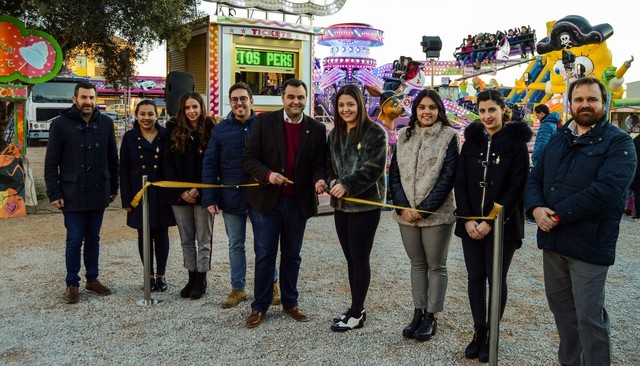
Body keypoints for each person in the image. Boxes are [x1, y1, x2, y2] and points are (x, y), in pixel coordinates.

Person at [524, 77, 636, 366]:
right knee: (562, 313)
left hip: (589, 244)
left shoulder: (619, 142)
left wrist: (557, 215)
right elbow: (536, 175)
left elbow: (607, 191)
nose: (585, 104)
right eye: (579, 99)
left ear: (603, 102)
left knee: (589, 318)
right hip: (554, 243)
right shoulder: (560, 138)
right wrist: (536, 208)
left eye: (592, 99)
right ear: (570, 103)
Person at [454, 90, 532, 363]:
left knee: (496, 279)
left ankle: (493, 333)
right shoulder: (471, 142)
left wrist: (491, 221)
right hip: (470, 225)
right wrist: (468, 218)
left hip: (503, 227)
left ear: (502, 110)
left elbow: (517, 187)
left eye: (492, 110)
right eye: (482, 110)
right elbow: (461, 181)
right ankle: (479, 331)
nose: (487, 116)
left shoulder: (516, 144)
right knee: (475, 277)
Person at [242, 78, 327, 328]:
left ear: (306, 99)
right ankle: (260, 307)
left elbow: (318, 164)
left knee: (292, 255)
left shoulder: (316, 128)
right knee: (265, 255)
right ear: (283, 98)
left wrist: (319, 179)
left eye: (300, 97)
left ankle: (290, 303)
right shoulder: (264, 121)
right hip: (267, 202)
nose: (296, 101)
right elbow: (249, 158)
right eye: (291, 97)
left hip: (297, 204)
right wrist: (267, 174)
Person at [389, 89, 460, 341]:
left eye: (432, 107)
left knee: (436, 265)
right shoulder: (402, 136)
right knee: (417, 264)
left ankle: (432, 315)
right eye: (421, 107)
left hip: (436, 215)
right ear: (415, 110)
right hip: (406, 213)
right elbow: (394, 174)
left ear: (439, 110)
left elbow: (448, 177)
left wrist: (425, 209)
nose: (426, 112)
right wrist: (402, 206)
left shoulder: (449, 137)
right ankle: (418, 311)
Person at [202, 82, 280, 309]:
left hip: (261, 196)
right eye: (234, 99)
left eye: (243, 98)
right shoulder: (220, 130)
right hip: (231, 197)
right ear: (230, 102)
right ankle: (238, 288)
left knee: (265, 245)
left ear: (251, 101)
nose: (239, 103)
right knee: (235, 244)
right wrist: (210, 197)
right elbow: (210, 164)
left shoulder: (265, 125)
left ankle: (271, 284)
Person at [44, 81, 119, 304]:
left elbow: (112, 159)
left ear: (96, 100)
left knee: (93, 238)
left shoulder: (106, 123)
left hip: (98, 191)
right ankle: (72, 283)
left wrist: (113, 188)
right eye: (84, 97)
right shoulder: (60, 124)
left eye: (92, 98)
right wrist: (53, 192)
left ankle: (92, 279)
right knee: (74, 239)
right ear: (75, 99)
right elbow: (51, 162)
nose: (88, 102)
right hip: (72, 193)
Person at [322, 84, 387, 332]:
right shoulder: (335, 134)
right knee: (350, 259)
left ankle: (357, 312)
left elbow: (373, 167)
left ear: (360, 104)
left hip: (365, 205)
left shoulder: (375, 132)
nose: (345, 109)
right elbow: (329, 164)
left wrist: (348, 185)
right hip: (341, 206)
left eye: (350, 104)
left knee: (360, 259)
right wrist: (331, 182)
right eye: (341, 105)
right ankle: (355, 307)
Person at [119, 100, 175, 292]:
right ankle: (148, 275)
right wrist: (127, 200)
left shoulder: (165, 136)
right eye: (142, 114)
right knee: (144, 234)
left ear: (156, 116)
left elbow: (171, 165)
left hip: (162, 192)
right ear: (136, 115)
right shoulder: (129, 138)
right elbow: (123, 170)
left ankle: (161, 275)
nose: (146, 118)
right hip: (139, 193)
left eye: (150, 114)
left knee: (162, 234)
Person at [163, 92, 215, 300]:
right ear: (182, 111)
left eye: (195, 107)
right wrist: (181, 192)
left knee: (204, 238)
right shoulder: (173, 131)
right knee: (186, 239)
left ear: (201, 108)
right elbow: (167, 165)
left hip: (203, 193)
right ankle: (191, 275)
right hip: (180, 195)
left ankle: (201, 277)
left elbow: (213, 163)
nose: (192, 111)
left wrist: (199, 190)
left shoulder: (211, 131)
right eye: (187, 108)